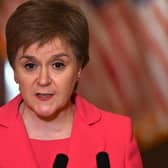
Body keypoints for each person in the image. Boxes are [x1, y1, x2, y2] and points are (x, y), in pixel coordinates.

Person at [0, 0, 143, 167]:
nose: (43, 80)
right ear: (15, 71)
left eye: (58, 65)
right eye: (30, 66)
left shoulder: (118, 135)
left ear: (79, 68)